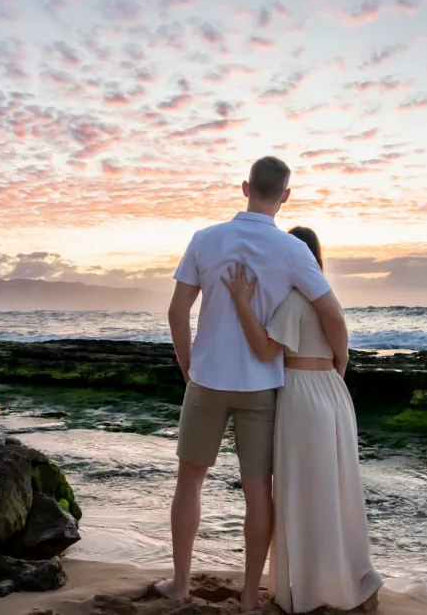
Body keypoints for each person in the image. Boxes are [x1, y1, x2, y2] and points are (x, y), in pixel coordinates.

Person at [162, 156, 350, 612]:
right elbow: (332, 312)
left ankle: (181, 584)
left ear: (245, 187)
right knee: (257, 490)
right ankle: (249, 595)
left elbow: (176, 311)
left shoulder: (205, 240)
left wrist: (189, 369)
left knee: (190, 482)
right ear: (285, 195)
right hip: (261, 386)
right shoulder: (292, 250)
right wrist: (338, 369)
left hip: (207, 379)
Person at [221, 230, 382, 614]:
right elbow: (338, 333)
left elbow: (263, 350)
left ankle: (310, 586)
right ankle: (350, 575)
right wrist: (340, 365)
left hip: (303, 394)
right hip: (333, 391)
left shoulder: (294, 301)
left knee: (303, 492)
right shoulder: (325, 296)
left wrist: (242, 302)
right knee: (335, 488)